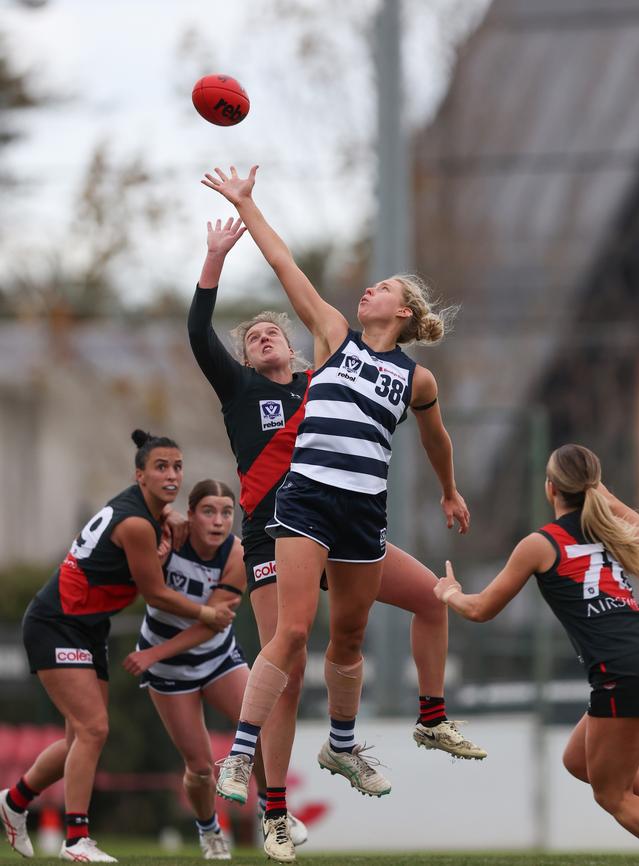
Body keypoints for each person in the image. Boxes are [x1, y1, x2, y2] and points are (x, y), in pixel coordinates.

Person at [197, 165, 478, 863]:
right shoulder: (333, 334)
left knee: (348, 640)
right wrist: (247, 204)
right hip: (304, 505)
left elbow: (437, 437)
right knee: (290, 637)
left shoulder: (417, 378)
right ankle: (243, 765)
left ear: (404, 314)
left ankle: (347, 746)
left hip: (363, 514)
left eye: (382, 288)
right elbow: (283, 260)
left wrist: (448, 488)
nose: (368, 289)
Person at [0, 431, 228, 864]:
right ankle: (76, 840)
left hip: (87, 627)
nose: (172, 475)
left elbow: (161, 534)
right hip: (56, 623)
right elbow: (156, 595)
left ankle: (14, 800)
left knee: (79, 738)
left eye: (177, 467)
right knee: (94, 729)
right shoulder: (137, 523)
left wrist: (172, 519)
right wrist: (206, 615)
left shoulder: (150, 513)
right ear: (139, 475)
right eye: (161, 467)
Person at [433, 443, 639, 844]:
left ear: (549, 488)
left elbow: (480, 609)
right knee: (577, 759)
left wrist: (448, 593)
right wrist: (601, 491)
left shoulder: (541, 543)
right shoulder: (610, 530)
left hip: (622, 670)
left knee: (613, 795)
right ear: (594, 487)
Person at [122, 479, 305, 860]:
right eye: (208, 511)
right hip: (170, 673)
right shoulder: (169, 537)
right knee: (201, 767)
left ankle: (271, 810)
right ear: (191, 514)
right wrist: (163, 524)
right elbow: (140, 529)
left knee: (259, 724)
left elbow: (212, 623)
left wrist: (152, 655)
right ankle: (209, 831)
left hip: (216, 658)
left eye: (226, 512)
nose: (219, 521)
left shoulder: (236, 554)